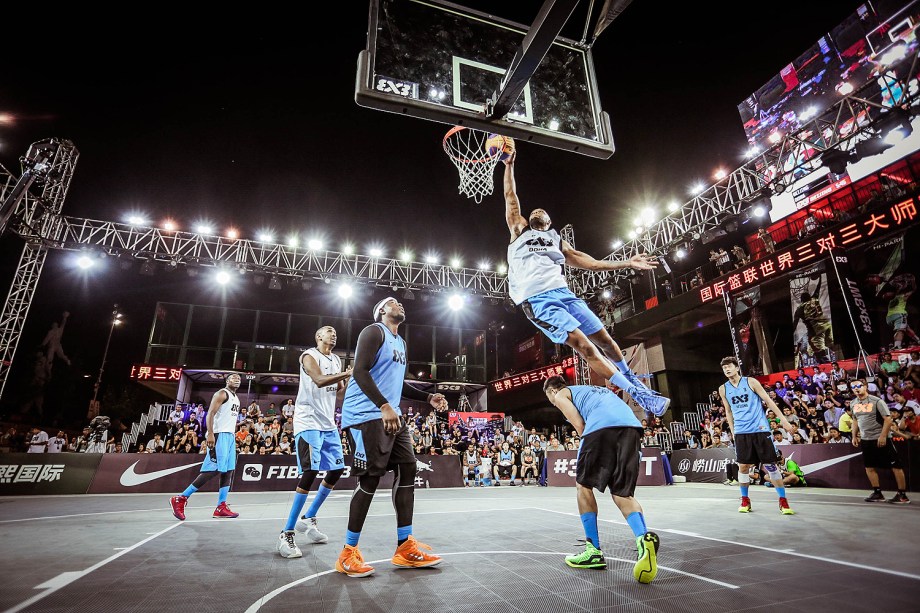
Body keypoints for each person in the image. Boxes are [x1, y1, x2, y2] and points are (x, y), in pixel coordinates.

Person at [500, 151, 668, 417]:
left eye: (541, 211)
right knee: (586, 347)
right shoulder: (519, 231)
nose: (536, 210)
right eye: (533, 210)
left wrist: (626, 263)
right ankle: (639, 395)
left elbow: (592, 263)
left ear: (549, 222)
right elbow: (511, 199)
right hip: (537, 301)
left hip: (564, 294)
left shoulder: (557, 241)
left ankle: (630, 379)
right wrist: (509, 165)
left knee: (607, 341)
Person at [335, 297, 449, 578]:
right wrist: (383, 405)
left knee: (408, 467)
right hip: (364, 414)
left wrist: (428, 396)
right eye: (393, 302)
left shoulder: (401, 343)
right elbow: (360, 372)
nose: (400, 305)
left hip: (390, 414)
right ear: (382, 311)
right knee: (371, 477)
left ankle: (405, 546)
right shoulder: (373, 332)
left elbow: (400, 384)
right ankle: (348, 553)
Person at [543, 375, 659, 583]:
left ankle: (593, 551)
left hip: (600, 429)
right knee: (622, 493)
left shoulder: (560, 393)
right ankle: (643, 540)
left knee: (583, 486)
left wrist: (585, 450)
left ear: (552, 391)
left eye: (550, 399)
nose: (553, 402)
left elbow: (580, 426)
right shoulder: (592, 390)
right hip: (631, 429)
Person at [277, 326, 353, 559]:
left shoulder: (337, 361)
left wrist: (351, 381)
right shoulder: (308, 355)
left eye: (335, 332)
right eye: (329, 331)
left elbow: (339, 394)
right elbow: (319, 380)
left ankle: (308, 517)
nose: (333, 334)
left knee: (337, 469)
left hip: (328, 423)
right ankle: (286, 533)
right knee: (309, 472)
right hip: (307, 421)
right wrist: (347, 374)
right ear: (318, 336)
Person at [718, 357, 798, 515]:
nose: (727, 369)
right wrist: (733, 432)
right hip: (741, 432)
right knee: (743, 467)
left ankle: (783, 500)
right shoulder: (723, 389)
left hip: (760, 429)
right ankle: (745, 500)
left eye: (729, 367)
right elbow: (728, 411)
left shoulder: (751, 382)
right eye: (724, 368)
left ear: (737, 368)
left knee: (770, 466)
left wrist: (784, 422)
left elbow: (768, 401)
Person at [170, 373, 242, 521]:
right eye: (233, 377)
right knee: (213, 469)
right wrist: (210, 434)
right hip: (218, 435)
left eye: (239, 379)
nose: (237, 380)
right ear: (227, 380)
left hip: (229, 436)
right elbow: (210, 414)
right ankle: (181, 498)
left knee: (228, 471)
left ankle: (221, 506)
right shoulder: (222, 393)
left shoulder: (236, 398)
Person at [849, 377, 911, 504]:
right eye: (853, 387)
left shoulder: (877, 401)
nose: (856, 389)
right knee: (869, 467)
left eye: (859, 386)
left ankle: (902, 495)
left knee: (896, 466)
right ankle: (877, 493)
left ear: (865, 386)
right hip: (866, 440)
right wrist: (854, 436)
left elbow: (888, 420)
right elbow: (855, 420)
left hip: (881, 438)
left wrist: (883, 436)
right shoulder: (853, 403)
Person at [792, 277, 834, 364]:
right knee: (829, 343)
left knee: (815, 347)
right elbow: (818, 289)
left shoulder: (799, 309)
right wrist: (821, 278)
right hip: (826, 325)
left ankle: (824, 362)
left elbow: (795, 324)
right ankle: (827, 358)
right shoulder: (814, 299)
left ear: (801, 300)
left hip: (815, 329)